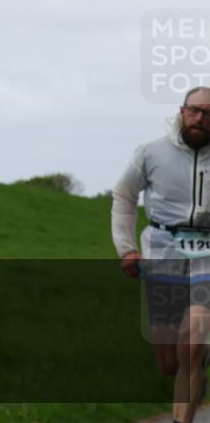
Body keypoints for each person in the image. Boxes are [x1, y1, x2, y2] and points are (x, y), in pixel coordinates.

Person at [112, 86, 210, 423]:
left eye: (208, 114)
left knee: (192, 346)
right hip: (162, 250)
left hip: (207, 255)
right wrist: (126, 249)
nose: (200, 118)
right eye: (194, 111)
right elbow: (124, 196)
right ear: (182, 111)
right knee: (170, 361)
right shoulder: (151, 153)